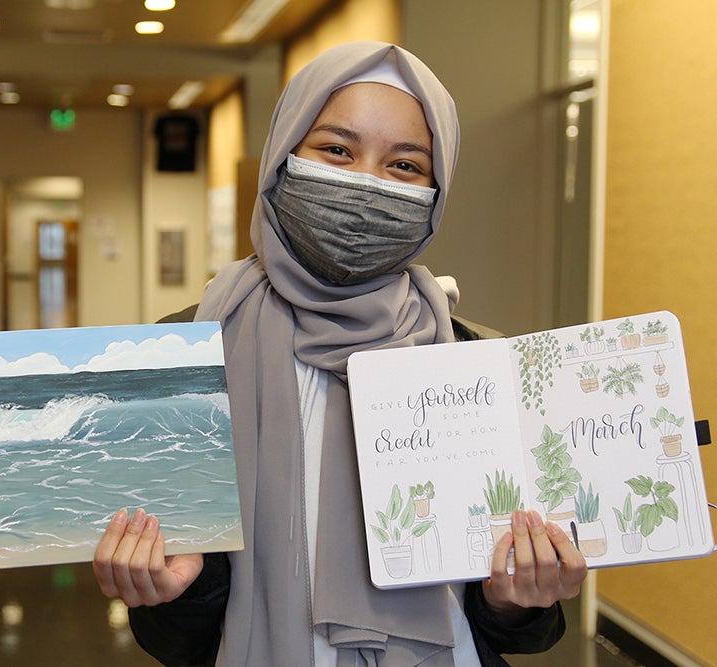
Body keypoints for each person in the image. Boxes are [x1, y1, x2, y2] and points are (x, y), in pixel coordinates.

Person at [92, 41, 587, 667]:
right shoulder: (189, 356)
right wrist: (166, 593)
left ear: (436, 194)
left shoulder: (471, 361)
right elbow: (182, 636)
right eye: (336, 150)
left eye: (405, 166)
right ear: (283, 156)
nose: (364, 183)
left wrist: (517, 599)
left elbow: (517, 629)